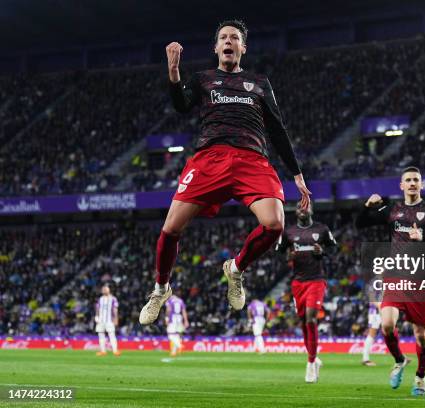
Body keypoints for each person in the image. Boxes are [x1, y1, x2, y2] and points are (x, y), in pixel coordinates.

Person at [139, 19, 310, 325]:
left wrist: (297, 174)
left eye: (234, 38)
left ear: (242, 47)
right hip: (209, 160)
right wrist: (174, 72)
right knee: (170, 229)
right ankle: (161, 289)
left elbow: (277, 128)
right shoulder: (203, 79)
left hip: (253, 160)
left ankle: (236, 268)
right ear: (216, 47)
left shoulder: (259, 83)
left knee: (274, 225)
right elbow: (181, 105)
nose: (228, 41)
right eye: (223, 38)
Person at [356, 167, 425, 396]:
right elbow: (360, 224)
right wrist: (366, 207)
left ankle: (420, 377)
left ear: (421, 185)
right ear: (401, 185)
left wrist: (424, 237)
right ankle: (399, 360)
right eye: (408, 180)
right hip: (394, 276)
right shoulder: (392, 210)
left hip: (420, 279)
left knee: (421, 334)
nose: (412, 183)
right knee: (387, 325)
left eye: (416, 180)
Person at [276, 205, 337, 383]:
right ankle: (314, 358)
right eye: (299, 207)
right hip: (298, 282)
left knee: (311, 318)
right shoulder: (289, 232)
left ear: (311, 209)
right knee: (303, 320)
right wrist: (288, 257)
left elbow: (334, 248)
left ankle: (310, 364)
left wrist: (323, 252)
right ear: (296, 212)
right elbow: (279, 252)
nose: (303, 209)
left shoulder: (322, 229)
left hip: (316, 280)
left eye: (306, 205)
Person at [95, 284, 120, 356]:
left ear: (109, 290)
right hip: (101, 320)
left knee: (112, 335)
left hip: (109, 320)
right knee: (100, 335)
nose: (104, 290)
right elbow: (97, 308)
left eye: (105, 289)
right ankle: (103, 351)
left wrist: (116, 319)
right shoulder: (100, 299)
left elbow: (115, 310)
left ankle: (115, 351)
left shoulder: (113, 299)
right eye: (103, 289)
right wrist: (96, 316)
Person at [165, 292, 189, 357]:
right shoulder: (180, 301)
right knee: (177, 335)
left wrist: (166, 319)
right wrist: (186, 321)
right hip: (179, 319)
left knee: (170, 334)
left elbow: (168, 310)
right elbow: (184, 311)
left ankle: (179, 346)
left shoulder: (170, 300)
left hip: (173, 319)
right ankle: (174, 352)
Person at [362, 302, 381, 366]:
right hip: (375, 313)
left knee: (390, 333)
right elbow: (373, 299)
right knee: (371, 334)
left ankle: (400, 357)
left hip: (378, 312)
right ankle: (365, 360)